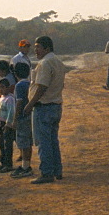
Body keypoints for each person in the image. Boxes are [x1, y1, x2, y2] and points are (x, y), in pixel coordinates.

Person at [22, 36, 65, 184]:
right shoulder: (57, 62)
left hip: (44, 107)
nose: (35, 50)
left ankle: (47, 173)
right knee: (53, 140)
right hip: (55, 105)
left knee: (43, 142)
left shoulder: (45, 63)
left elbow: (42, 86)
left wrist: (30, 104)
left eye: (38, 47)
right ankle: (57, 170)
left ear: (47, 48)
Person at [10, 62, 35, 178]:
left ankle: (25, 167)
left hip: (22, 117)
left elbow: (19, 102)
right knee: (28, 142)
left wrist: (15, 119)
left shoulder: (19, 86)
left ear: (15, 73)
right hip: (30, 116)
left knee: (23, 143)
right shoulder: (29, 83)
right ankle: (26, 164)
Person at [0, 78, 16, 173]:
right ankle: (3, 163)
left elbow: (11, 112)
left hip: (7, 124)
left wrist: (8, 124)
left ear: (8, 88)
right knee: (2, 145)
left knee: (7, 145)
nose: (1, 90)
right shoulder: (1, 99)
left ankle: (8, 164)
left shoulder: (10, 99)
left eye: (3, 87)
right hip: (0, 123)